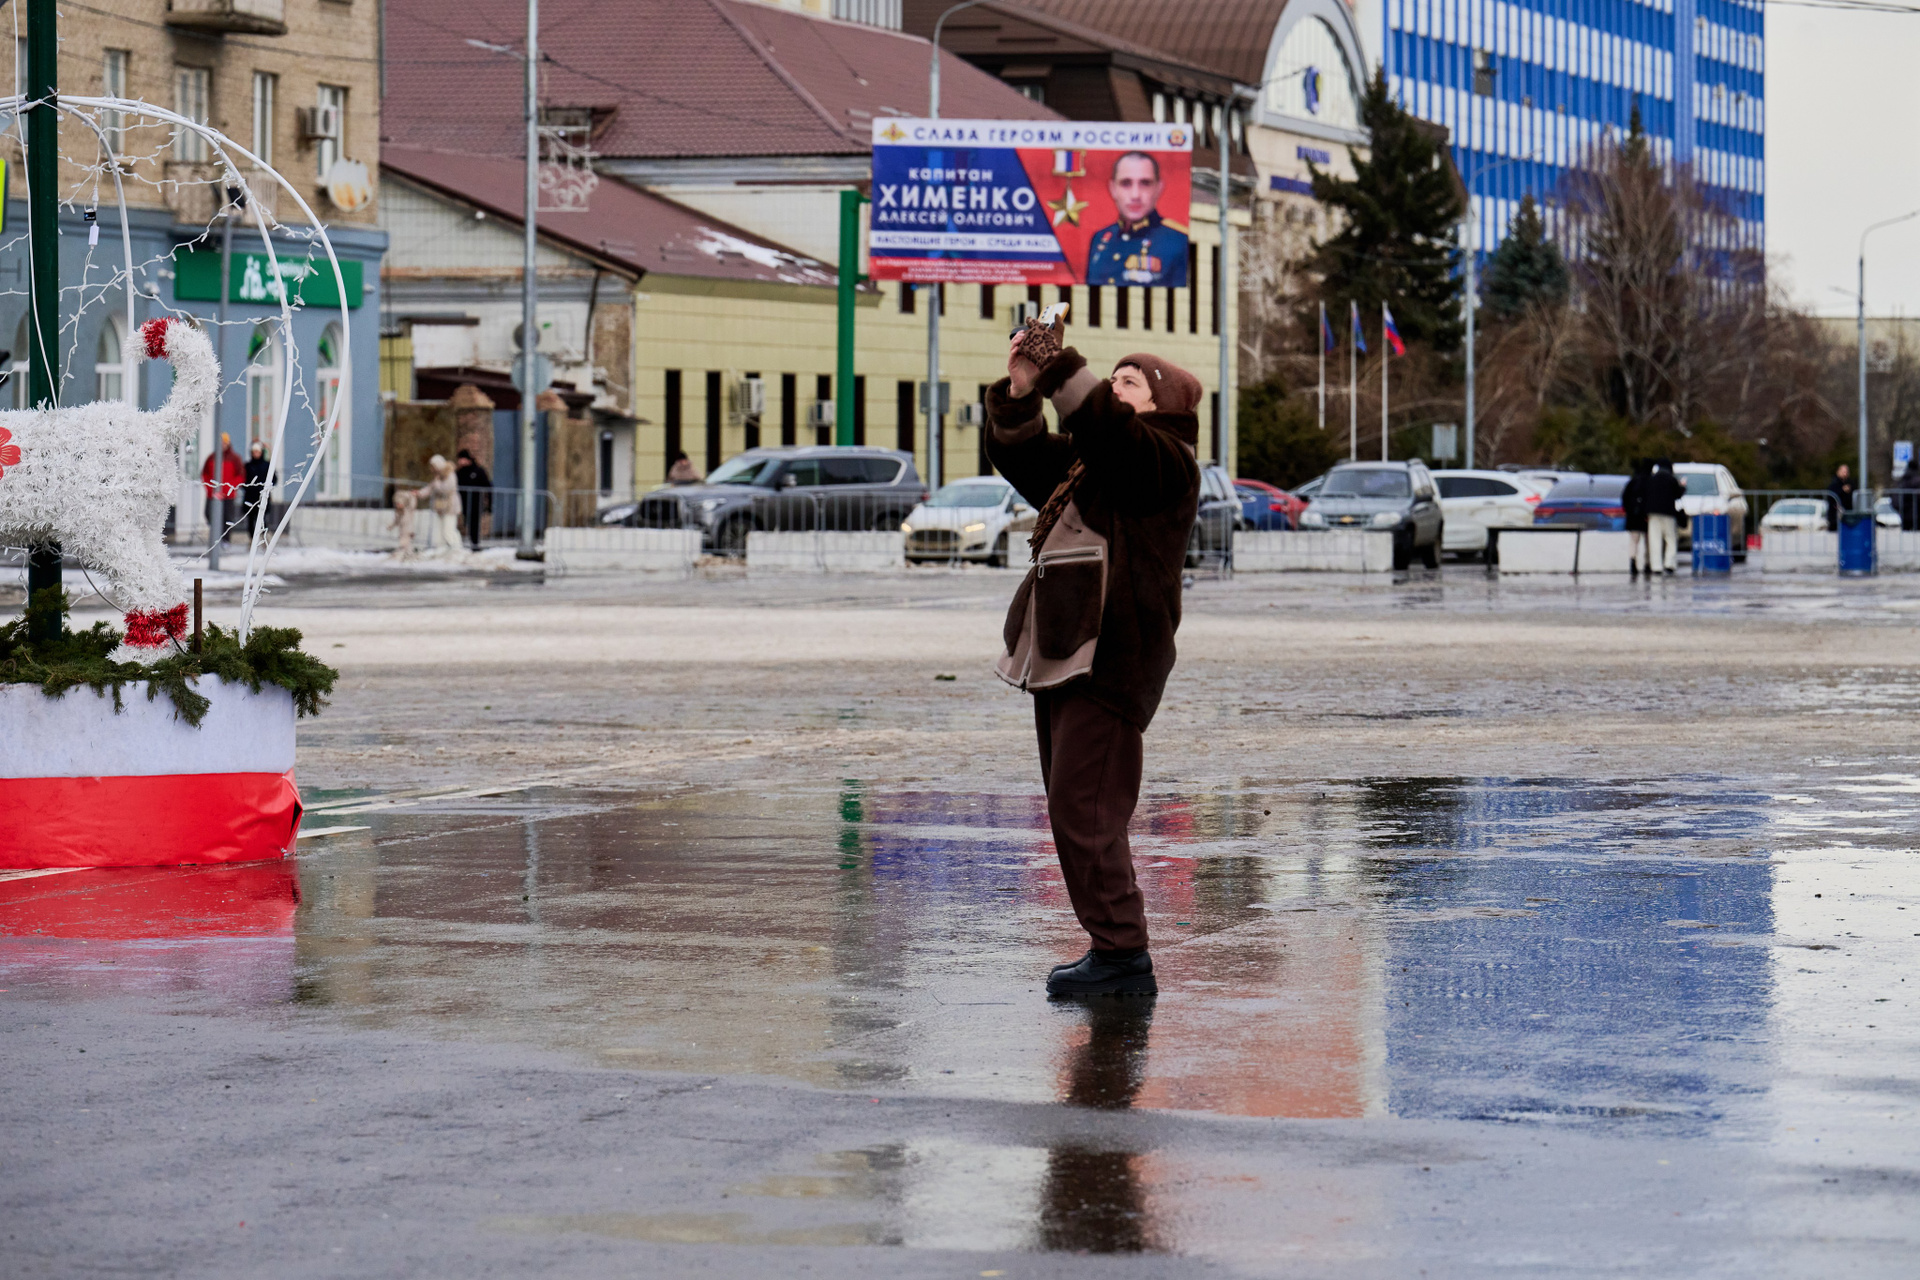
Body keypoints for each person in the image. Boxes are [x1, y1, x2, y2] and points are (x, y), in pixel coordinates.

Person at [986, 316, 1201, 998]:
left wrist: (1060, 366)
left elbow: (1108, 428)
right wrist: (1024, 386)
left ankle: (1123, 955)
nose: (1112, 386)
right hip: (1065, 650)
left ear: (1162, 405)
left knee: (1087, 811)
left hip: (1114, 657)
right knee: (1070, 810)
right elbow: (1020, 454)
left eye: (1128, 381)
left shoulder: (1164, 462)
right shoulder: (1093, 461)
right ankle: (1112, 948)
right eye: (1111, 378)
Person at [1085, 152, 1188, 288]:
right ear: (1113, 189)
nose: (1135, 195)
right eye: (1126, 184)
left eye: (1145, 183)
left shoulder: (1179, 242)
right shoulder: (1101, 238)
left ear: (1158, 188)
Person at [1643, 458, 1685, 575]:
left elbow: (1646, 495)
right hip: (1668, 514)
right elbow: (1678, 495)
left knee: (1655, 540)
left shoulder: (1652, 479)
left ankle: (1656, 566)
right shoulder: (1671, 479)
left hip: (1653, 514)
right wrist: (1682, 487)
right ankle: (1669, 564)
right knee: (1671, 539)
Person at [200, 432, 244, 542]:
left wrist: (229, 488)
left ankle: (225, 540)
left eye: (224, 443)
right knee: (209, 514)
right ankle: (215, 536)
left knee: (227, 517)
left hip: (228, 495)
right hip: (213, 494)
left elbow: (240, 476)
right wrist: (211, 489)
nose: (222, 445)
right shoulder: (211, 458)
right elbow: (205, 474)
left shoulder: (235, 458)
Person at [415, 454, 462, 557]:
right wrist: (419, 493)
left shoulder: (450, 474)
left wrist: (437, 483)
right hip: (441, 506)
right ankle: (444, 549)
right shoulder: (438, 476)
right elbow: (430, 488)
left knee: (448, 529)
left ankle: (456, 548)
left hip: (450, 506)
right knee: (441, 530)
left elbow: (446, 488)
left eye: (433, 466)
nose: (431, 468)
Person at [454, 448, 492, 551]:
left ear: (467, 459)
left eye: (461, 459)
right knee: (468, 522)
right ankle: (472, 542)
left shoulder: (478, 471)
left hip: (476, 502)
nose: (459, 461)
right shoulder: (459, 472)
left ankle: (475, 544)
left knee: (474, 523)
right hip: (464, 502)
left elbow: (488, 486)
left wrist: (489, 503)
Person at [1620, 458, 1651, 577]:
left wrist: (1628, 511)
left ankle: (1633, 560)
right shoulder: (1650, 481)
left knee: (1634, 540)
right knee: (1649, 541)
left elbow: (1624, 498)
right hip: (1646, 516)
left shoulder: (1632, 482)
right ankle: (1648, 563)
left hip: (1633, 516)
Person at [240, 440, 272, 537]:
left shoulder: (267, 466)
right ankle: (251, 538)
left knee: (262, 518)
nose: (256, 454)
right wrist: (247, 487)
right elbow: (242, 479)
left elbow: (273, 479)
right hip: (250, 497)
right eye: (254, 452)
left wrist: (266, 488)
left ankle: (263, 537)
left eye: (257, 452)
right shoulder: (248, 466)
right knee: (250, 519)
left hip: (262, 496)